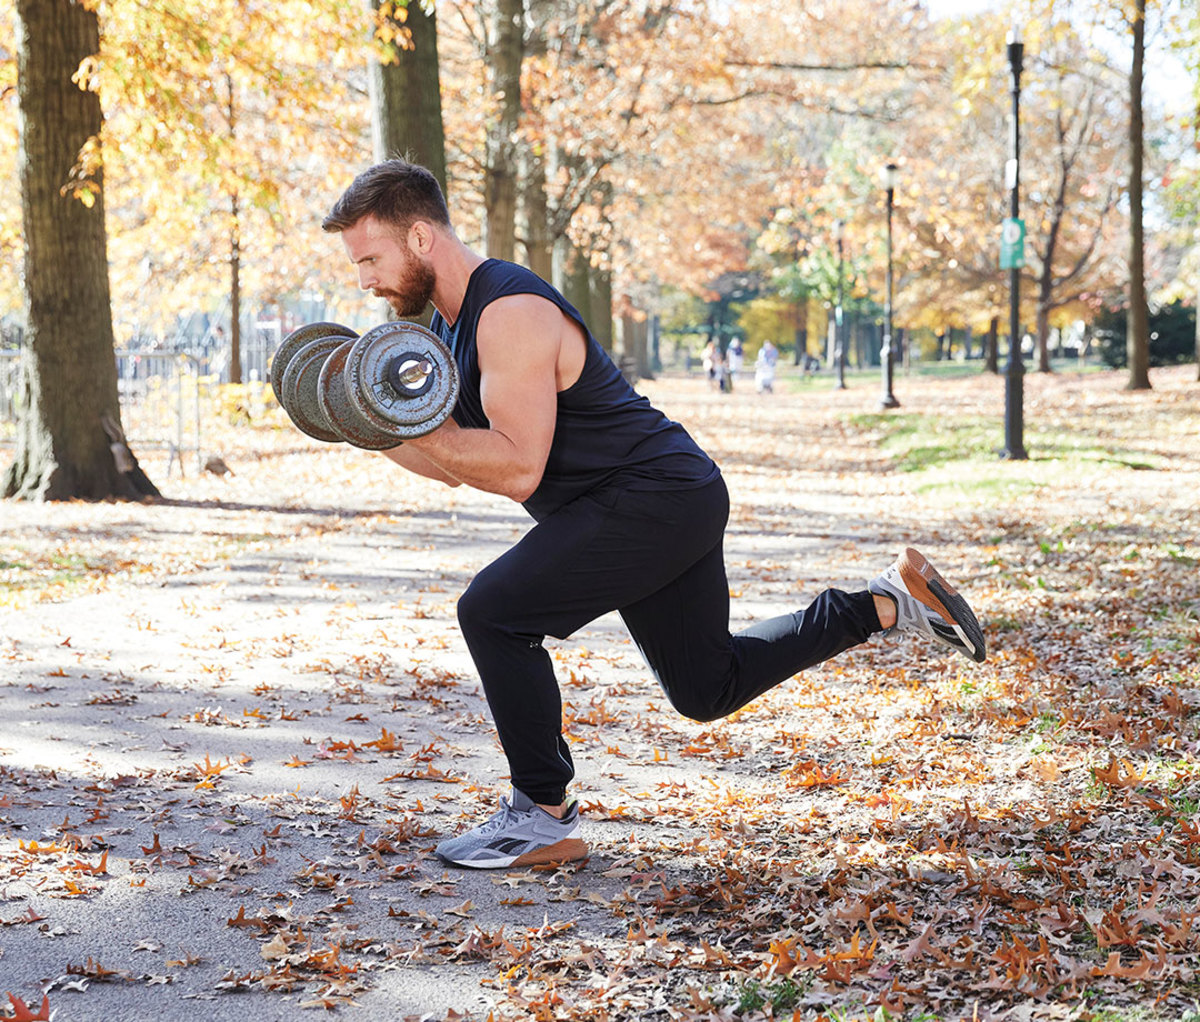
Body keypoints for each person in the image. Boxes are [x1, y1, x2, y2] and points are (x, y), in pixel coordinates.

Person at [321, 160, 987, 871]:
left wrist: (407, 424)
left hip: (653, 498)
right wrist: (369, 427)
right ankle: (883, 603)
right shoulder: (453, 327)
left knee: (493, 611)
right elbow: (460, 465)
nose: (364, 279)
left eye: (369, 258)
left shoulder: (509, 314)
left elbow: (515, 467)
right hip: (662, 497)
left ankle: (543, 814)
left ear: (420, 237)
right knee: (708, 687)